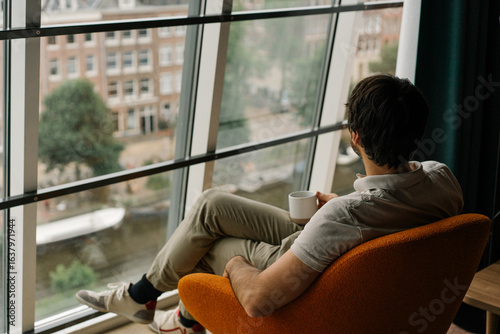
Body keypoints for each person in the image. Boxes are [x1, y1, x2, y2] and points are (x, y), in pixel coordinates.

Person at [76, 74, 464, 333]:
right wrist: (342, 204)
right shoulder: (442, 179)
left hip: (302, 266)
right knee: (212, 205)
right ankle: (146, 299)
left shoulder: (343, 215)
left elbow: (260, 301)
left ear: (356, 138)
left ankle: (164, 312)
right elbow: (389, 205)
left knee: (209, 245)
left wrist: (232, 265)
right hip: (340, 244)